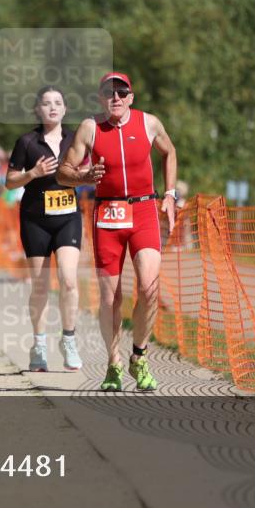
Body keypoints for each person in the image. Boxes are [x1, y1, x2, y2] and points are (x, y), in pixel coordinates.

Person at [57, 72, 178, 392]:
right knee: (110, 297)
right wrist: (83, 176)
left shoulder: (149, 123)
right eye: (109, 93)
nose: (116, 98)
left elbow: (170, 152)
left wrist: (170, 194)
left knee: (150, 289)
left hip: (143, 211)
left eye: (122, 93)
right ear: (100, 97)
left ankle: (139, 356)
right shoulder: (89, 128)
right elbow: (63, 174)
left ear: (131, 97)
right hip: (108, 214)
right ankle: (113, 364)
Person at [6, 85, 85, 372]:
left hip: (68, 217)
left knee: (68, 279)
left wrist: (84, 176)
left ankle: (69, 339)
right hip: (35, 219)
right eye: (46, 103)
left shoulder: (76, 139)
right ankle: (39, 344)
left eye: (58, 103)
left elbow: (85, 173)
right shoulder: (27, 142)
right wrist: (32, 173)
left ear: (65, 109)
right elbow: (9, 181)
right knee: (40, 285)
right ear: (37, 110)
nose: (52, 107)